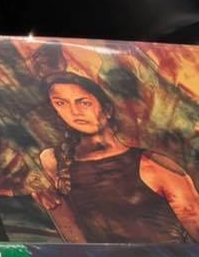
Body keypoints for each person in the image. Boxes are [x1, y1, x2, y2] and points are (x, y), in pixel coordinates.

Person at [36, 72, 199, 243]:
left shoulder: (153, 164)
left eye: (84, 103)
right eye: (61, 103)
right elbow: (75, 239)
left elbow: (193, 220)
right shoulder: (54, 160)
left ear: (107, 110)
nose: (75, 112)